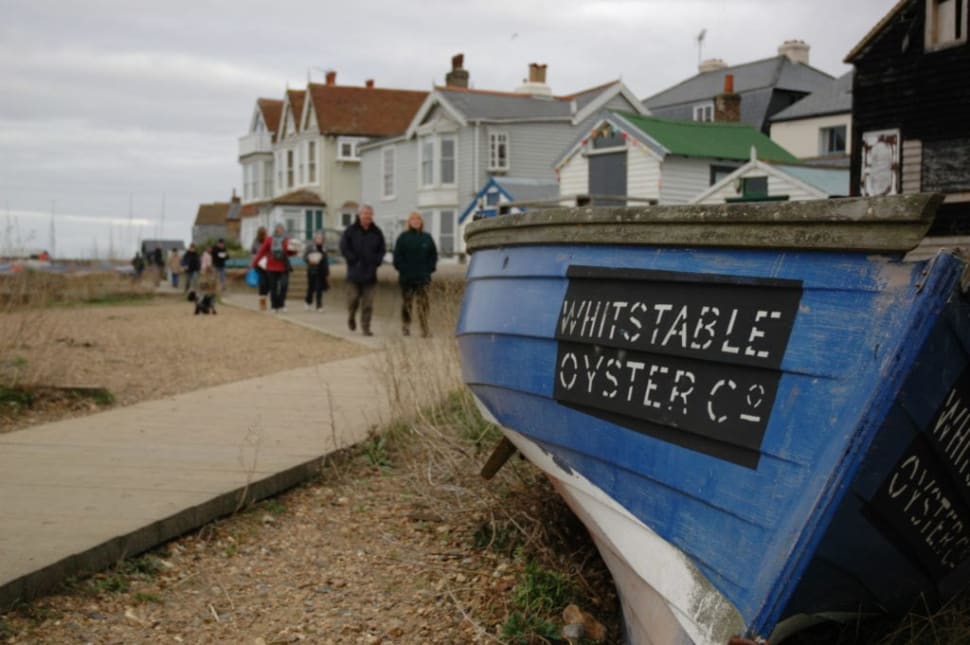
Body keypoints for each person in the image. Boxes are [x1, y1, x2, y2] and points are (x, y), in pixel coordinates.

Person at [339, 204, 385, 336]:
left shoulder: (377, 232)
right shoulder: (350, 230)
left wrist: (377, 261)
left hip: (370, 274)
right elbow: (344, 247)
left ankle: (366, 327)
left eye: (370, 214)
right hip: (354, 273)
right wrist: (353, 260)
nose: (367, 216)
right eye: (365, 214)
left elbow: (381, 249)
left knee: (368, 304)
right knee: (353, 300)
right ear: (359, 215)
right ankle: (351, 315)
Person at [393, 212, 437, 337]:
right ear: (409, 222)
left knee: (423, 303)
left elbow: (433, 255)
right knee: (407, 303)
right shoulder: (403, 237)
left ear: (421, 222)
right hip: (407, 277)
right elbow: (397, 257)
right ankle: (406, 325)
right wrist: (402, 269)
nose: (416, 221)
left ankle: (424, 328)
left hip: (423, 277)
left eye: (418, 219)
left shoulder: (427, 237)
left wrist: (429, 269)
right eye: (413, 219)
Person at [251, 222, 296, 313]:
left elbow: (289, 253)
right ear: (275, 230)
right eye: (278, 229)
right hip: (271, 267)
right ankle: (274, 306)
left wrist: (295, 250)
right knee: (273, 288)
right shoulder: (269, 240)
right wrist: (254, 264)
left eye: (282, 229)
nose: (280, 231)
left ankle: (281, 303)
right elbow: (261, 252)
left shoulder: (286, 240)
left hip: (283, 267)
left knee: (284, 285)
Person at [303, 231, 330, 311]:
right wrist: (309, 260)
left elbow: (325, 261)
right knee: (311, 288)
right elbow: (305, 257)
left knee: (319, 289)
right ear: (314, 239)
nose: (319, 240)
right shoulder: (310, 248)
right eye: (317, 238)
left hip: (321, 271)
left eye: (321, 238)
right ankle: (308, 301)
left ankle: (319, 306)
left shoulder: (324, 249)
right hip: (312, 270)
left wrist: (327, 272)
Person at [251, 226, 269, 311]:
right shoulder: (256, 242)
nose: (266, 235)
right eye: (265, 233)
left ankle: (264, 298)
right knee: (262, 283)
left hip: (268, 265)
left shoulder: (269, 241)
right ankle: (262, 302)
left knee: (268, 284)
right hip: (259, 265)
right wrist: (255, 259)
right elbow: (253, 252)